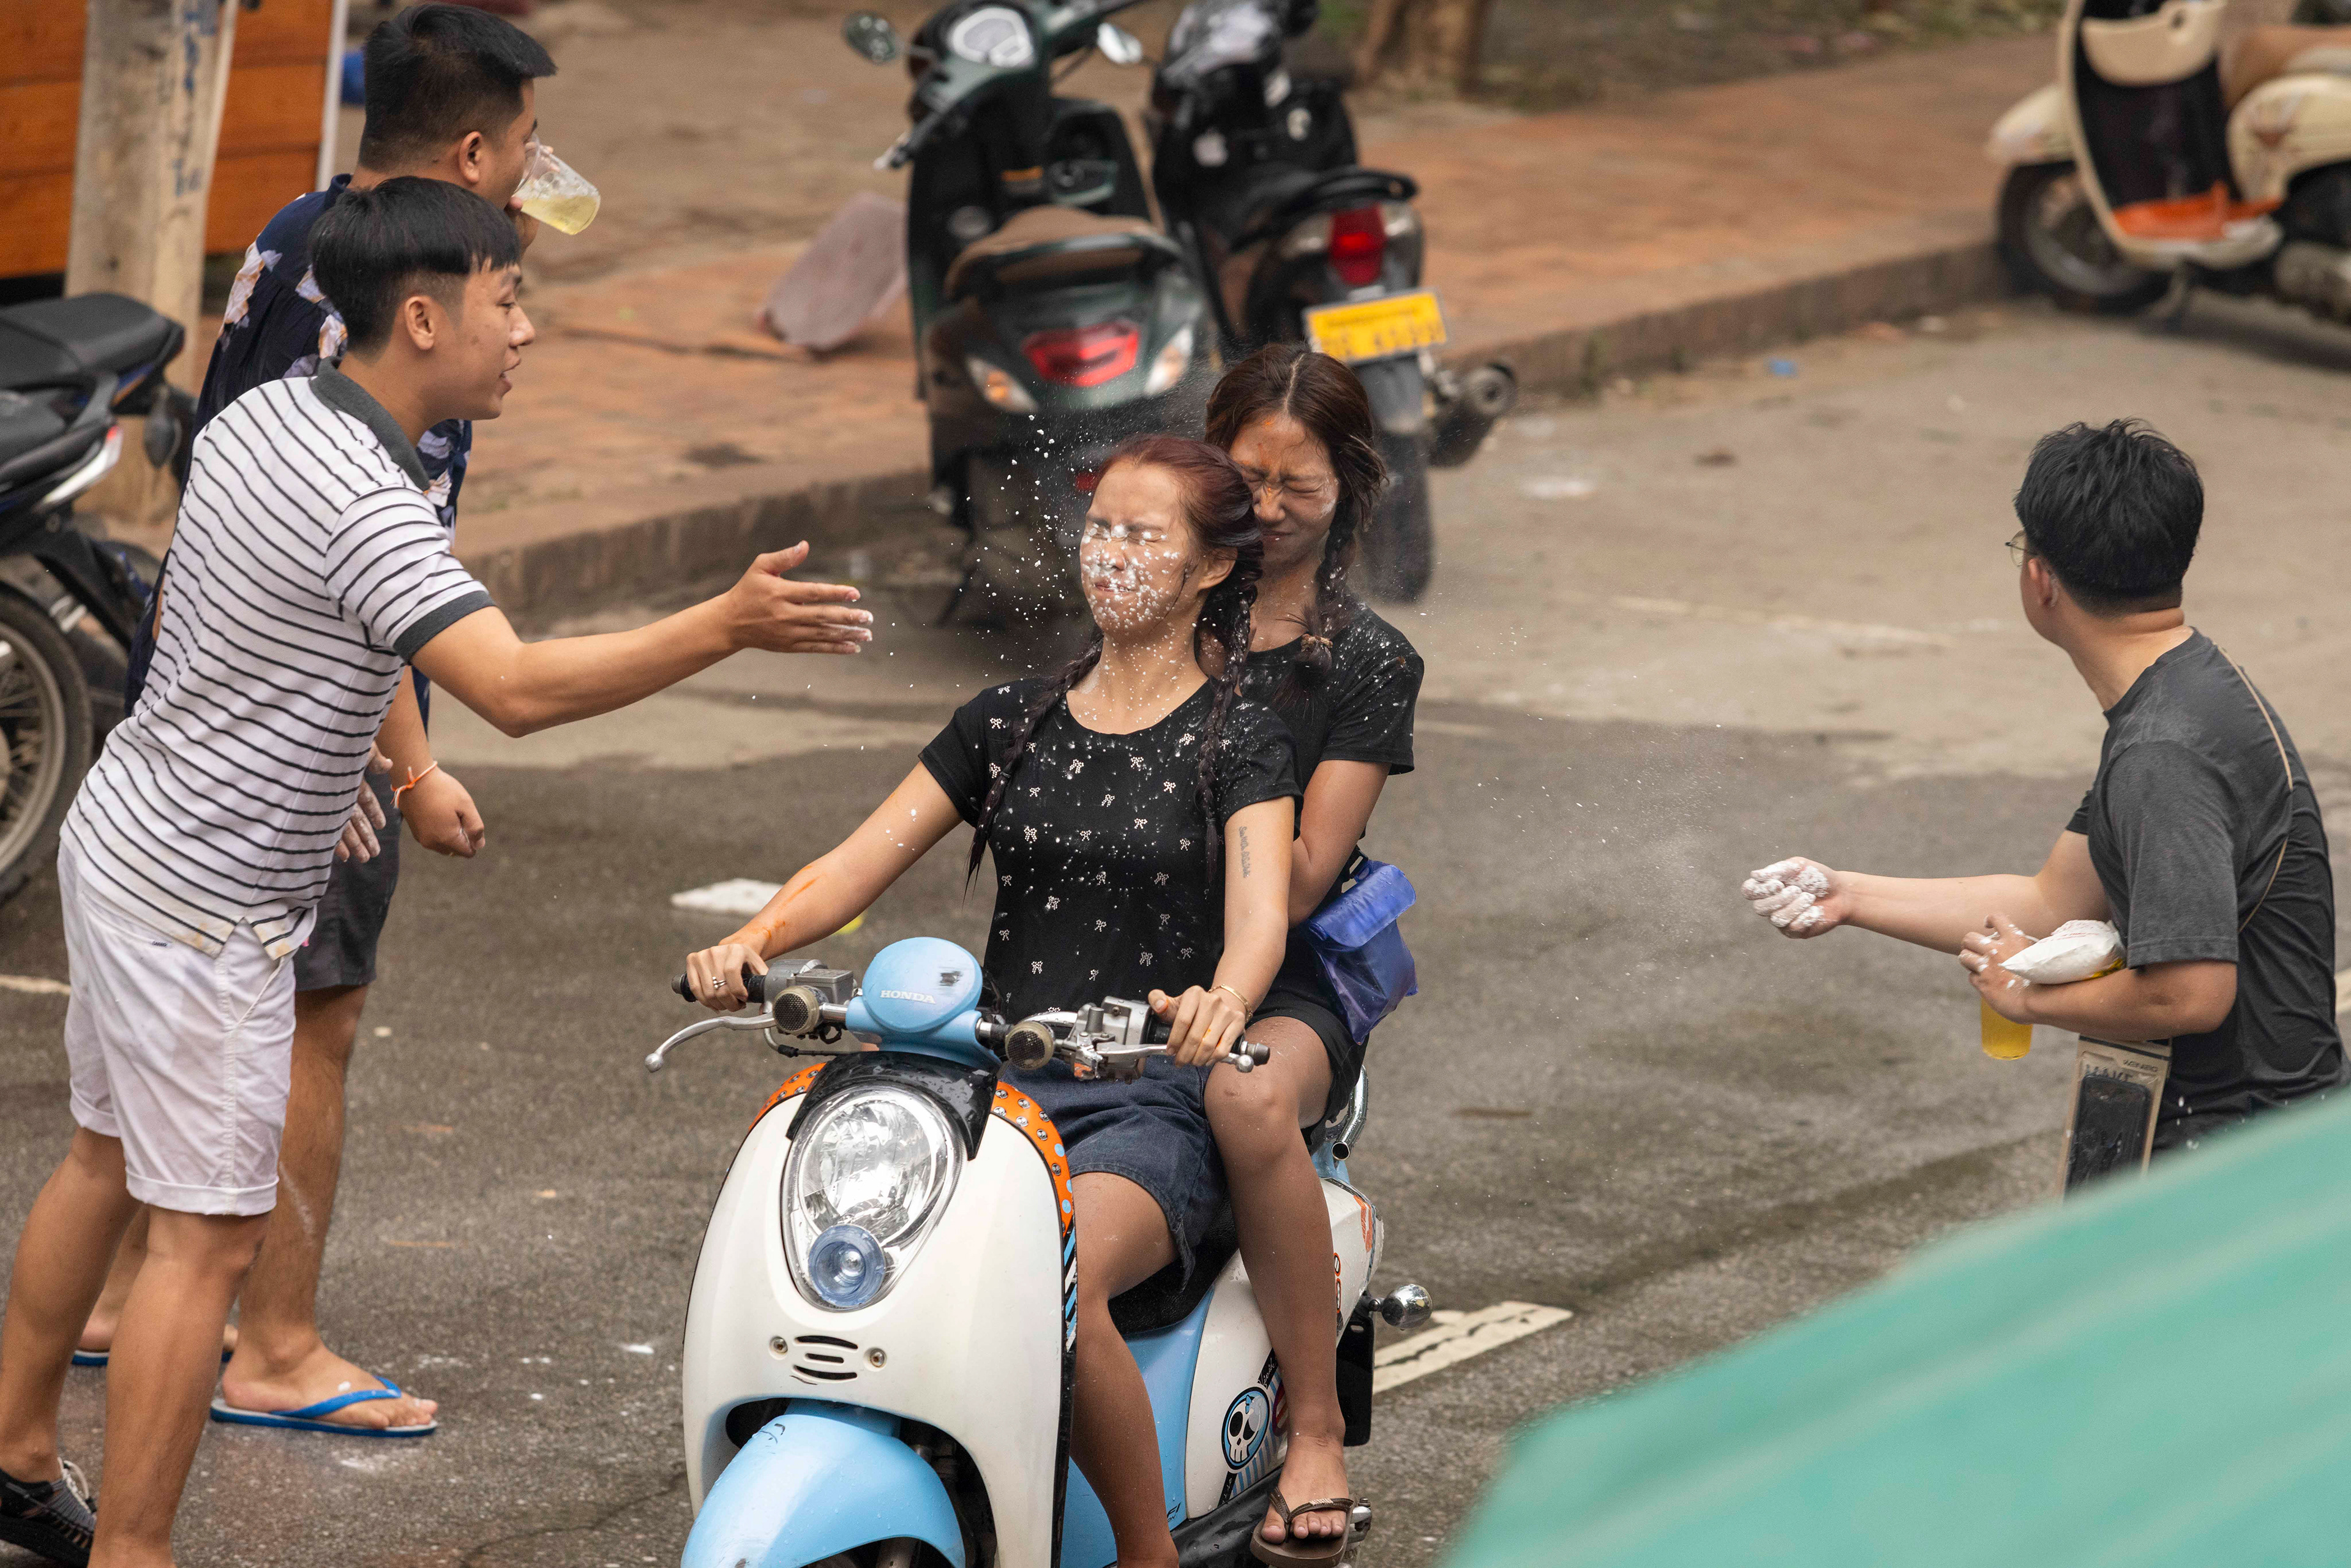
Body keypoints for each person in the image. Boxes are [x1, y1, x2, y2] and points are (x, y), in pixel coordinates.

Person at [0, 178, 870, 1568]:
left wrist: (379, 758)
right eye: (508, 298)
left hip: (132, 834)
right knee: (208, 1242)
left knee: (105, 1154)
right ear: (423, 315)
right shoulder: (372, 496)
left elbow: (277, 625)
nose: (525, 329)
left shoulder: (271, 408)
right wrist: (725, 621)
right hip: (202, 907)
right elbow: (514, 684)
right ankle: (135, 1550)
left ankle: (13, 1455)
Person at [681, 435, 1298, 1568]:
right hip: (989, 1094)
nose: (1108, 554)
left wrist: (1224, 1001)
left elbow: (1259, 914)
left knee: (1054, 1286)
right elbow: (856, 864)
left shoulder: (1239, 741)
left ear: (1210, 568)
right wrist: (753, 938)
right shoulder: (1011, 719)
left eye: (1142, 535)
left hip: (1146, 1101)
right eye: (1099, 528)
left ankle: (1147, 1556)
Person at [81, 1, 559, 1437]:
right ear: (472, 154)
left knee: (130, 1111)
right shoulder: (397, 308)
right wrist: (400, 755)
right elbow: (407, 604)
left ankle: (119, 1309)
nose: (539, 179)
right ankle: (272, 1339)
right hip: (302, 730)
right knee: (313, 1017)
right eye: (529, 149)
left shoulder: (302, 229)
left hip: (203, 704)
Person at [1742, 419, 2347, 1156]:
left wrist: (2027, 998)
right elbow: (2052, 902)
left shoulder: (2164, 752)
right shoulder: (2185, 692)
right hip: (2246, 1136)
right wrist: (1850, 894)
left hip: (2238, 1158)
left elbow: (2191, 992)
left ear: (2041, 576)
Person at [1198, 345, 1420, 1560]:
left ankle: (1319, 1428)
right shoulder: (1153, 606)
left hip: (1283, 979)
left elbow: (1292, 877)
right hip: (1131, 942)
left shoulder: (1370, 663)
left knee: (1243, 1096)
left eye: (1302, 489)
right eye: (1247, 479)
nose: (1270, 513)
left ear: (1352, 493)